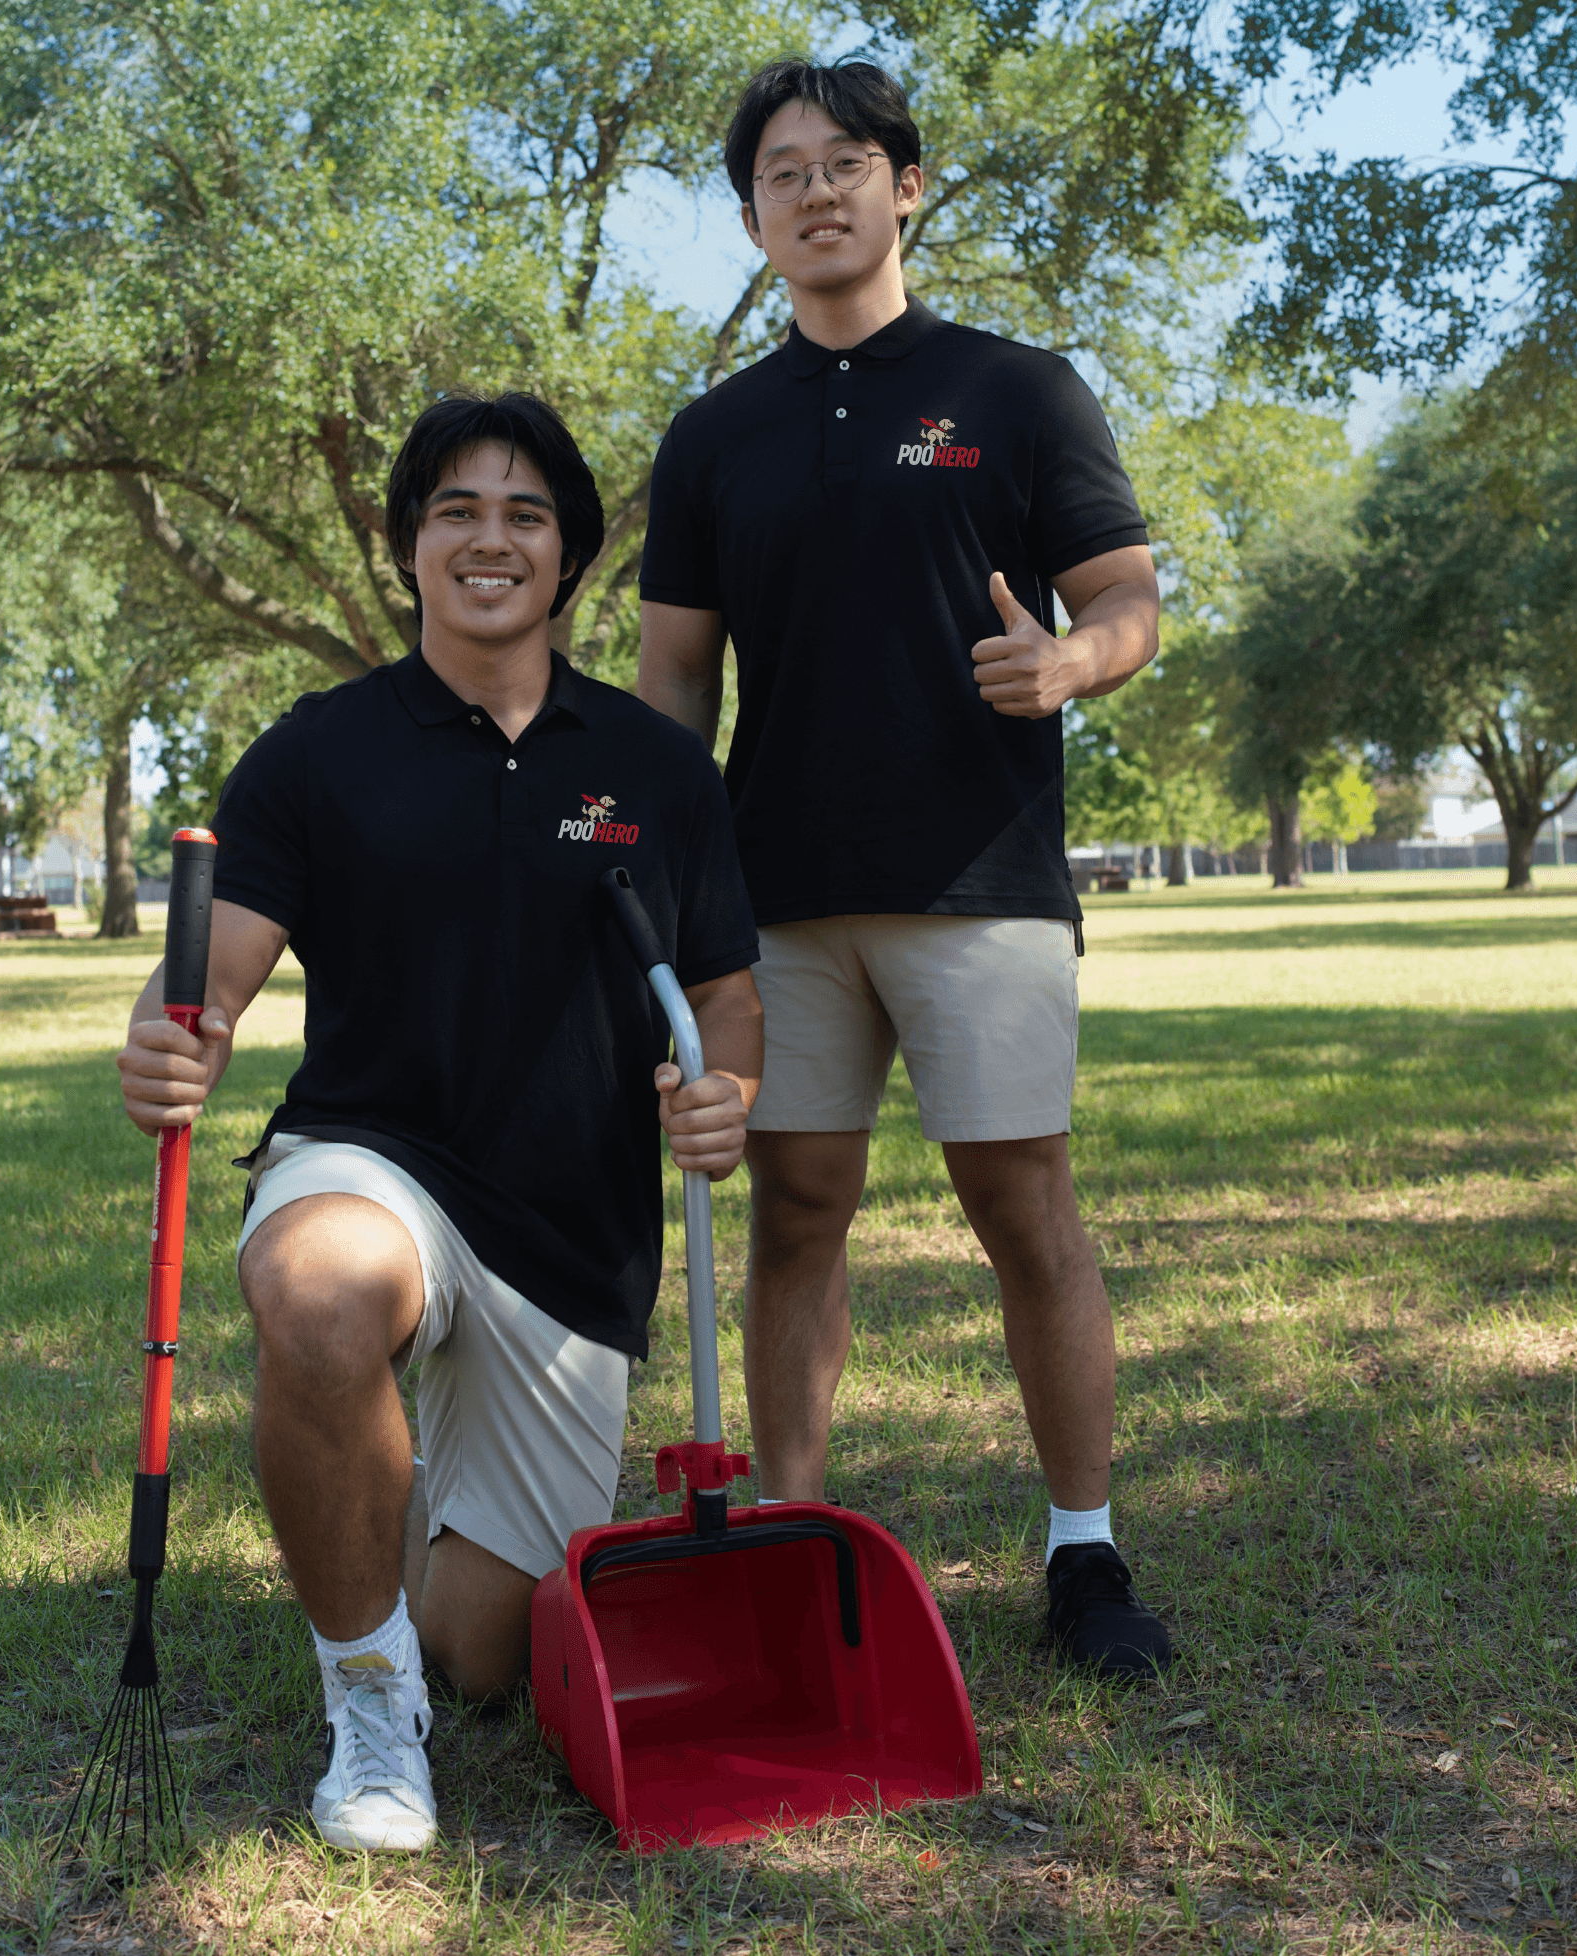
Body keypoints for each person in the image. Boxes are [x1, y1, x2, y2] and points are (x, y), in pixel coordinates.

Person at [115, 393, 763, 1851]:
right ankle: (362, 1692)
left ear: (571, 558)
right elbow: (206, 984)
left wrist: (732, 1092)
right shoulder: (319, 750)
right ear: (412, 546)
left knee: (485, 1657)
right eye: (456, 510)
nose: (490, 538)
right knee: (321, 1299)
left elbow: (726, 993)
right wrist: (168, 1042)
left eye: (526, 514)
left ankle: (381, 1534)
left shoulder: (658, 771)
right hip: (373, 1158)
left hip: (569, 1238)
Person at [636, 60, 1171, 1679]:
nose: (816, 191)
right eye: (782, 174)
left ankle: (1084, 1554)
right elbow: (673, 689)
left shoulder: (1020, 389)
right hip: (777, 898)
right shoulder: (714, 432)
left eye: (847, 163)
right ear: (750, 219)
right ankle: (791, 1538)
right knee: (798, 1209)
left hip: (982, 877)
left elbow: (1129, 599)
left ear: (908, 188)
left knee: (1025, 1207)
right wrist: (667, 877)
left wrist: (1072, 667)